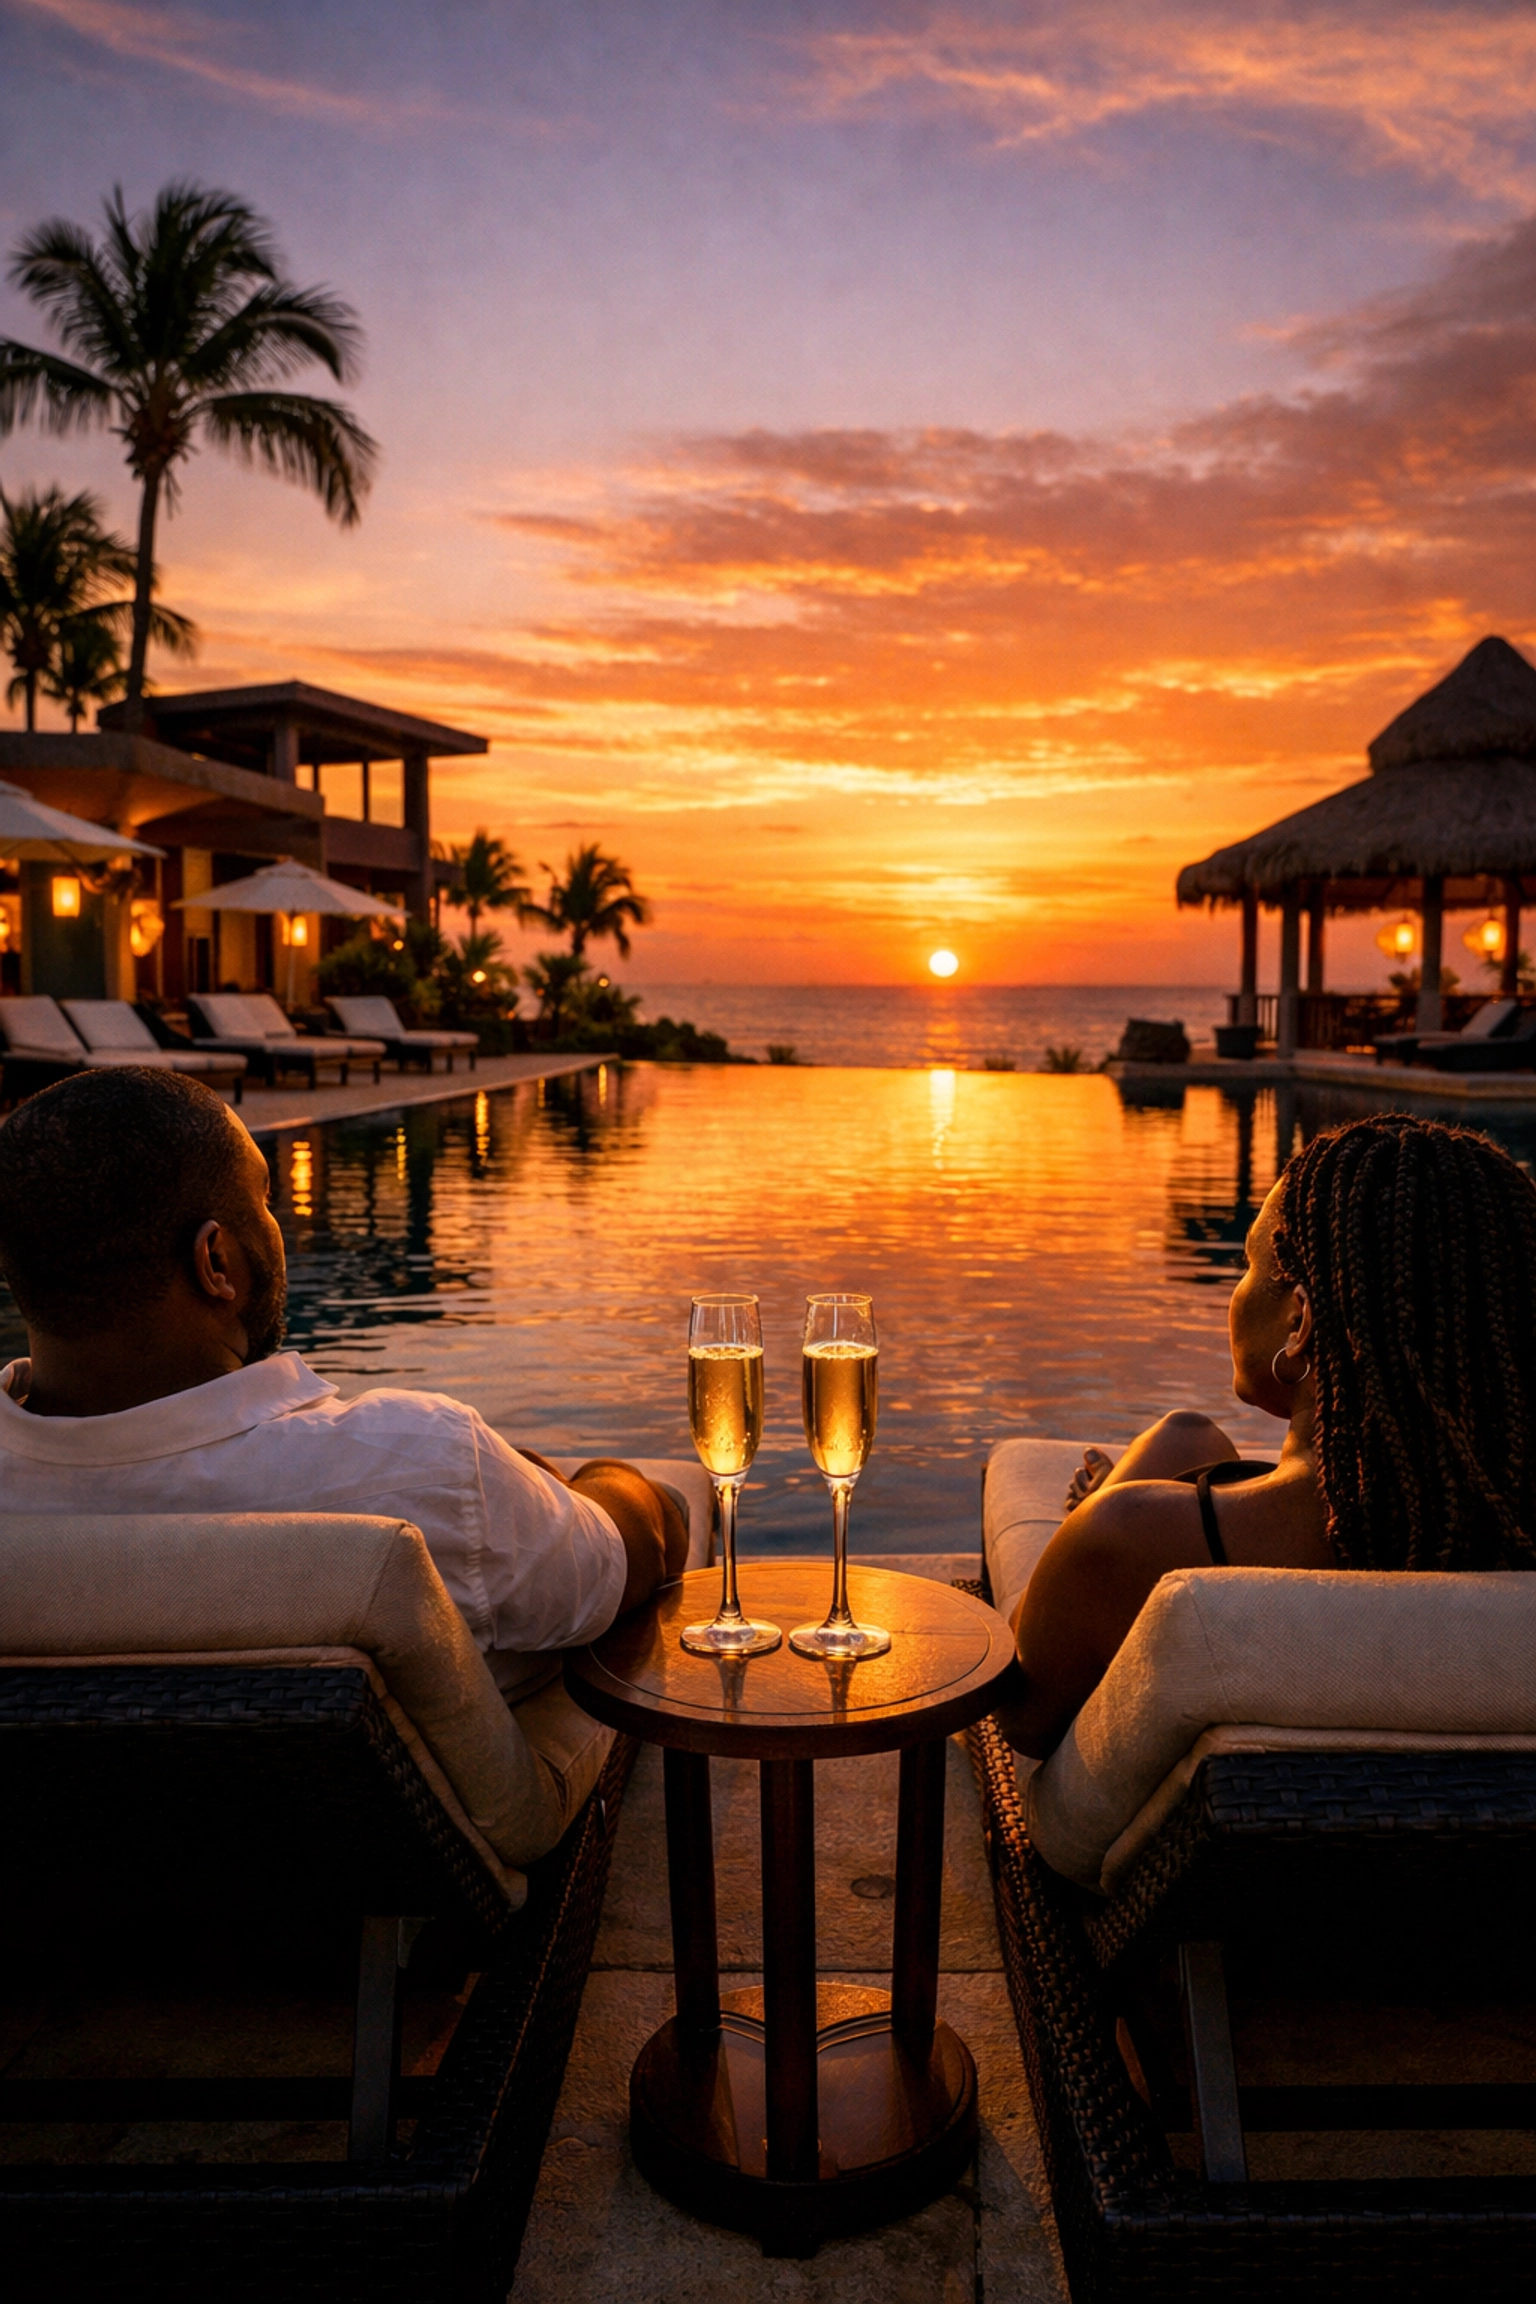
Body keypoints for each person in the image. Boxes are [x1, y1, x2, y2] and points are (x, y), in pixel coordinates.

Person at [0, 1068, 689, 1709]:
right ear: (216, 1260)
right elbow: (645, 1548)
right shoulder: (418, 1468)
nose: (279, 1227)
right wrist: (595, 1482)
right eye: (264, 1201)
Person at [1002, 1112, 1536, 1758]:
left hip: (1126, 1841)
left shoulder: (1126, 1541)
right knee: (1187, 1436)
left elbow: (1022, 1721)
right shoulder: (1489, 1540)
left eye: (1248, 1264)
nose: (1237, 1291)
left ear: (1299, 1321)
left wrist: (1094, 1518)